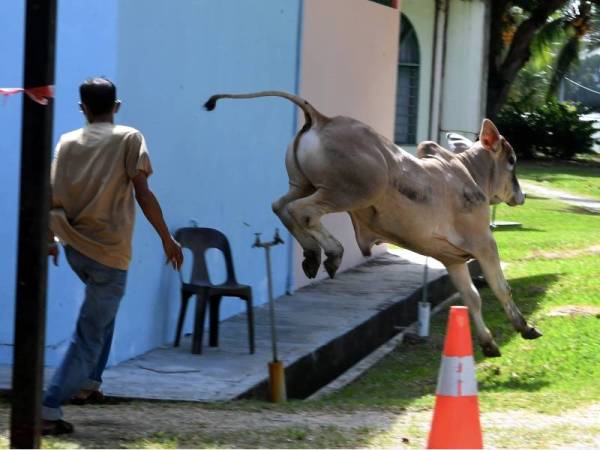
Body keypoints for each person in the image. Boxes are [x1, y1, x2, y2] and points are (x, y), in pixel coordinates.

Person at [43, 77, 183, 435]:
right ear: (116, 106)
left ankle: (89, 381)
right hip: (110, 252)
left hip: (74, 246)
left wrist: (49, 237)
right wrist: (167, 237)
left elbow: (50, 191)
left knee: (103, 314)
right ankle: (48, 408)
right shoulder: (129, 138)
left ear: (82, 109)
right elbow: (143, 194)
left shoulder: (68, 142)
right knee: (90, 331)